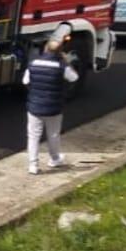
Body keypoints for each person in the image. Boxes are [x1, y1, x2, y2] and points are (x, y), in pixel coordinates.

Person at [23, 29, 80, 174]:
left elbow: (25, 81)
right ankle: (55, 159)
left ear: (45, 49)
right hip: (54, 107)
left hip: (34, 106)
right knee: (53, 135)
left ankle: (33, 165)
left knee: (33, 136)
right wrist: (66, 61)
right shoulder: (61, 66)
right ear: (60, 52)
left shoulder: (33, 64)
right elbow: (74, 78)